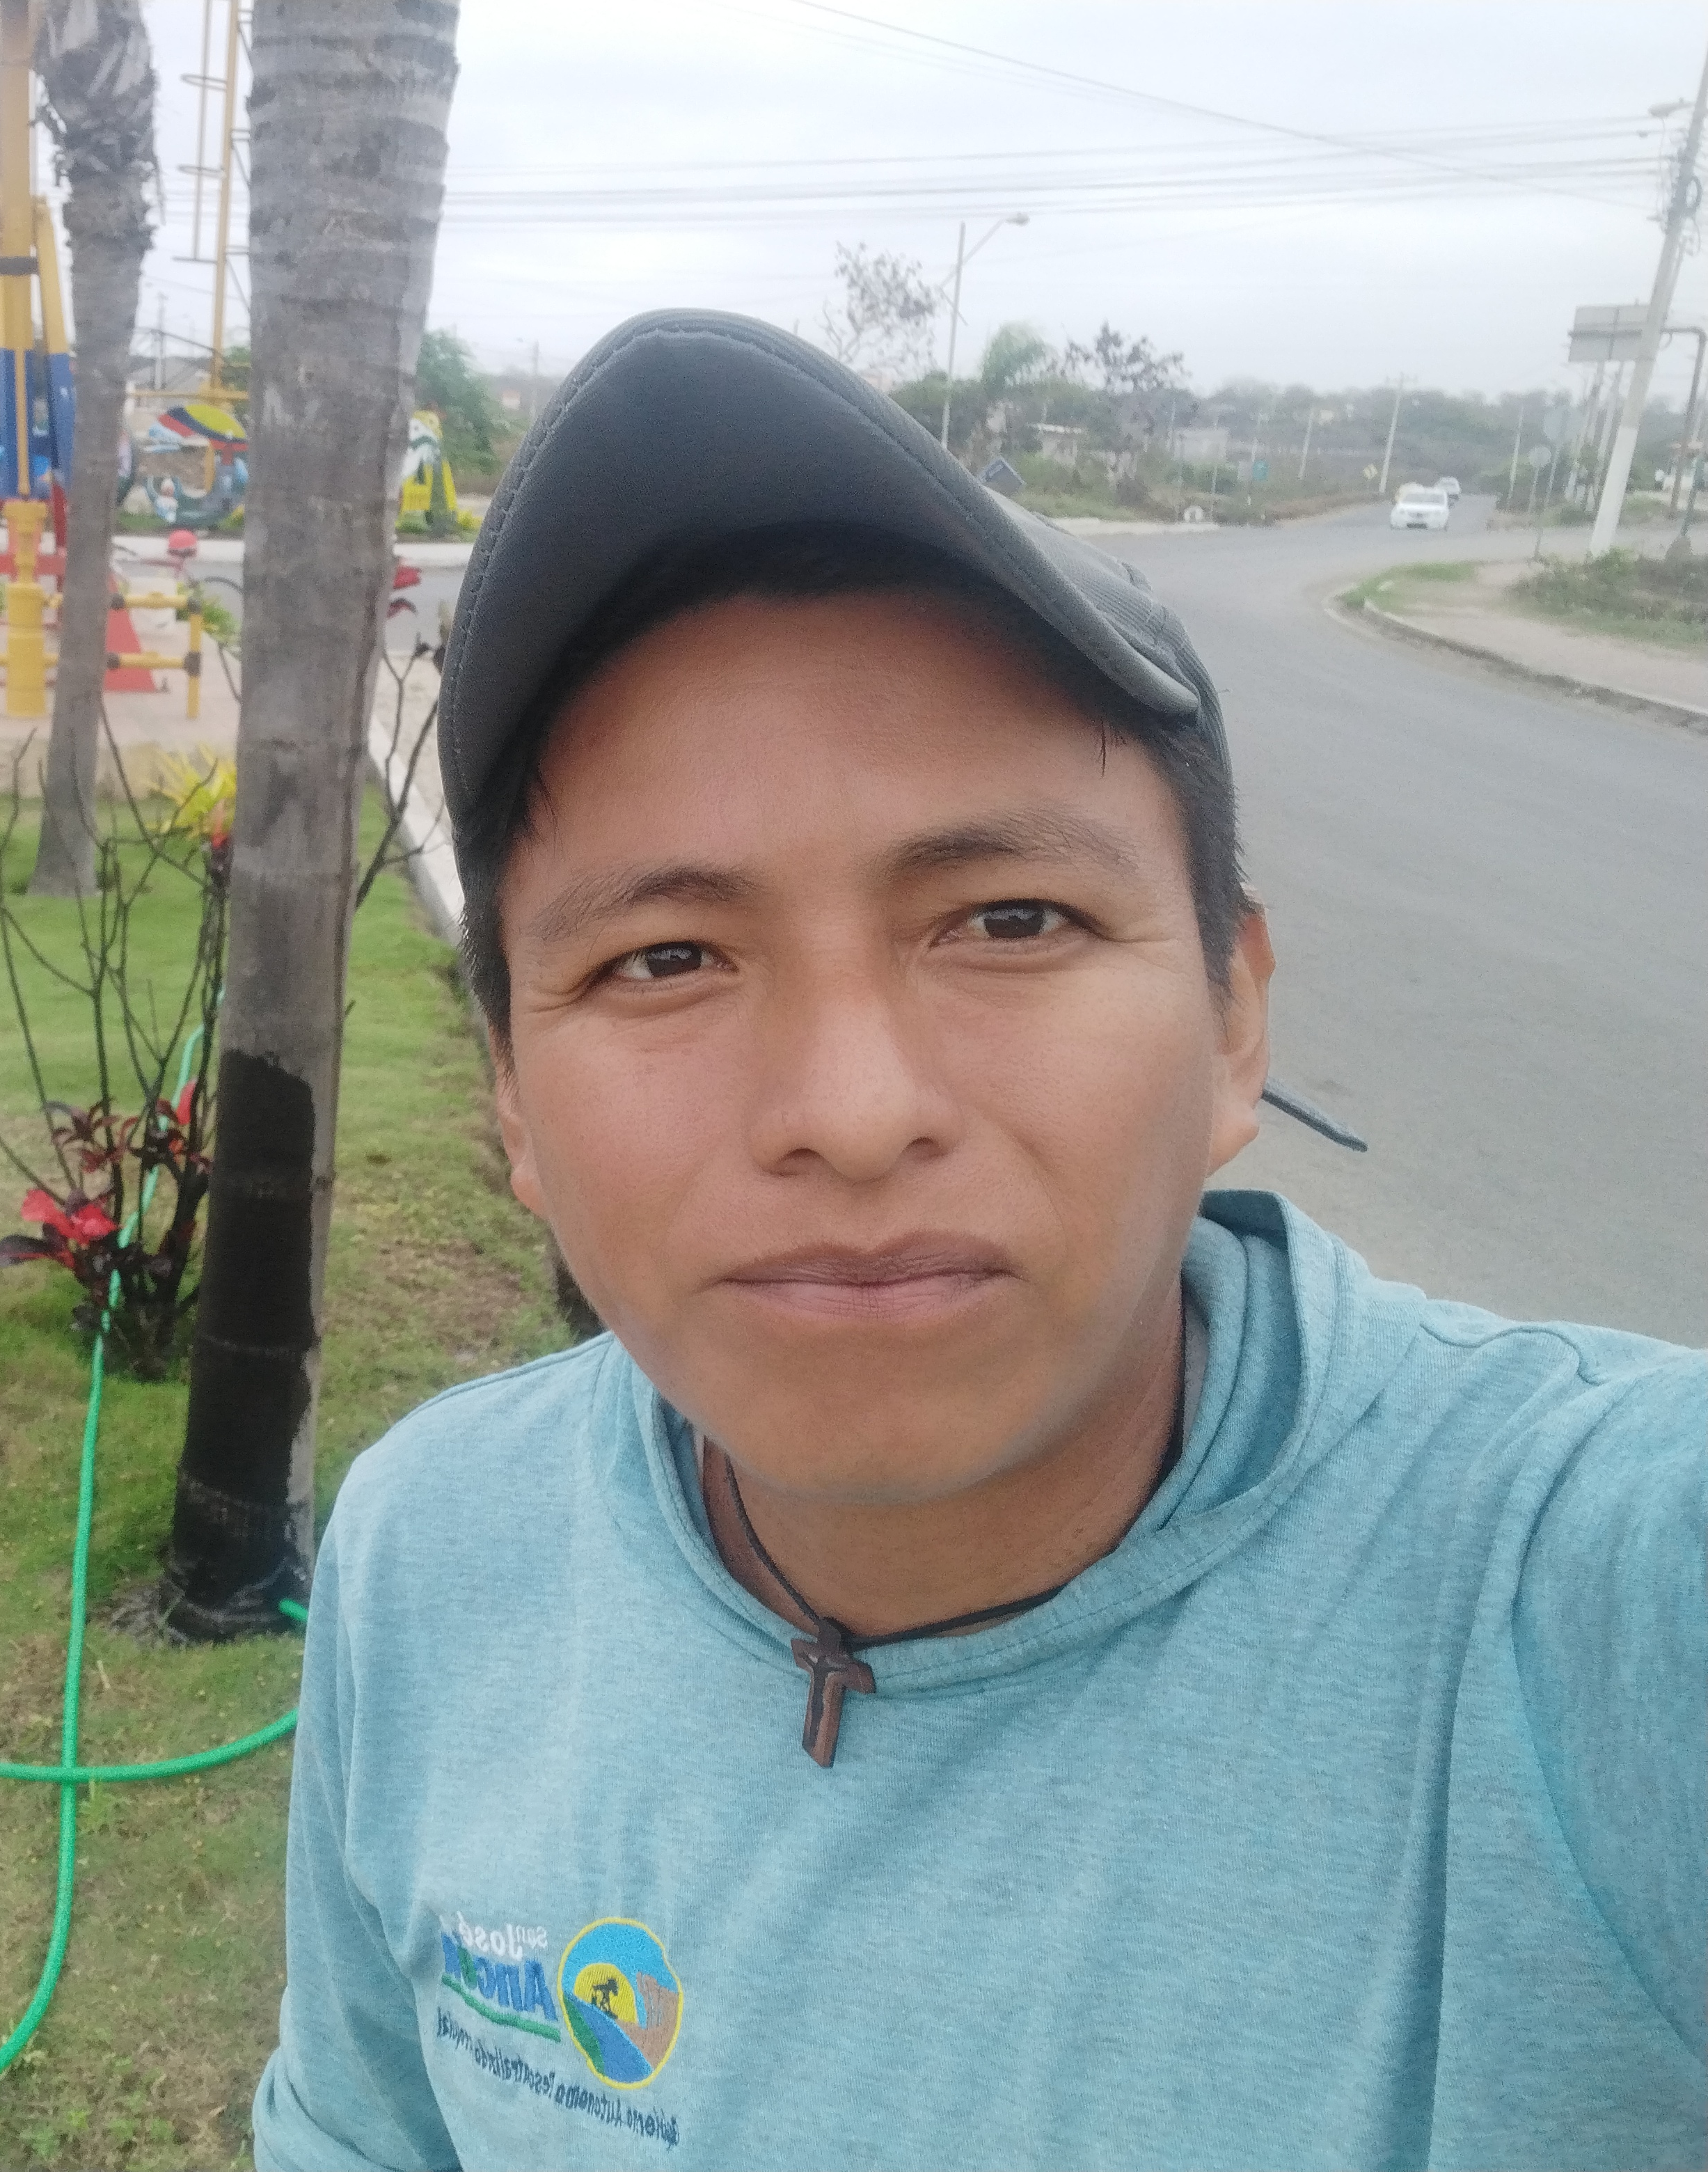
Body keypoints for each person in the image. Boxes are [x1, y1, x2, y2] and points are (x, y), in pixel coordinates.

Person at [252, 313, 1704, 2171]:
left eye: (1010, 919)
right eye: (666, 958)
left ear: (1235, 1021)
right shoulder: (431, 1549)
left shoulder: (1594, 1605)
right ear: (515, 1103)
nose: (854, 1112)